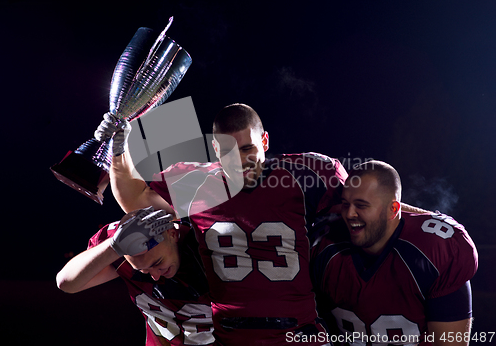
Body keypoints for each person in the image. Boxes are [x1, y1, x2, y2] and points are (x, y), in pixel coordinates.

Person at [98, 103, 348, 345]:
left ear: (264, 142)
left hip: (298, 330)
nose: (240, 161)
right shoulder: (196, 182)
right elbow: (136, 201)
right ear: (216, 149)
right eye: (229, 152)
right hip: (231, 336)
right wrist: (119, 149)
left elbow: (365, 208)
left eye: (248, 148)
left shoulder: (305, 173)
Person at [311, 160, 478, 346]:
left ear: (394, 209)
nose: (349, 214)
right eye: (345, 204)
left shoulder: (432, 252)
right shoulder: (324, 248)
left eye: (361, 205)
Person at [56, 207, 215, 346]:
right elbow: (67, 283)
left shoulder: (212, 247)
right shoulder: (120, 248)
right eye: (142, 270)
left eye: (156, 263)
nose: (154, 275)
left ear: (172, 234)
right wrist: (113, 247)